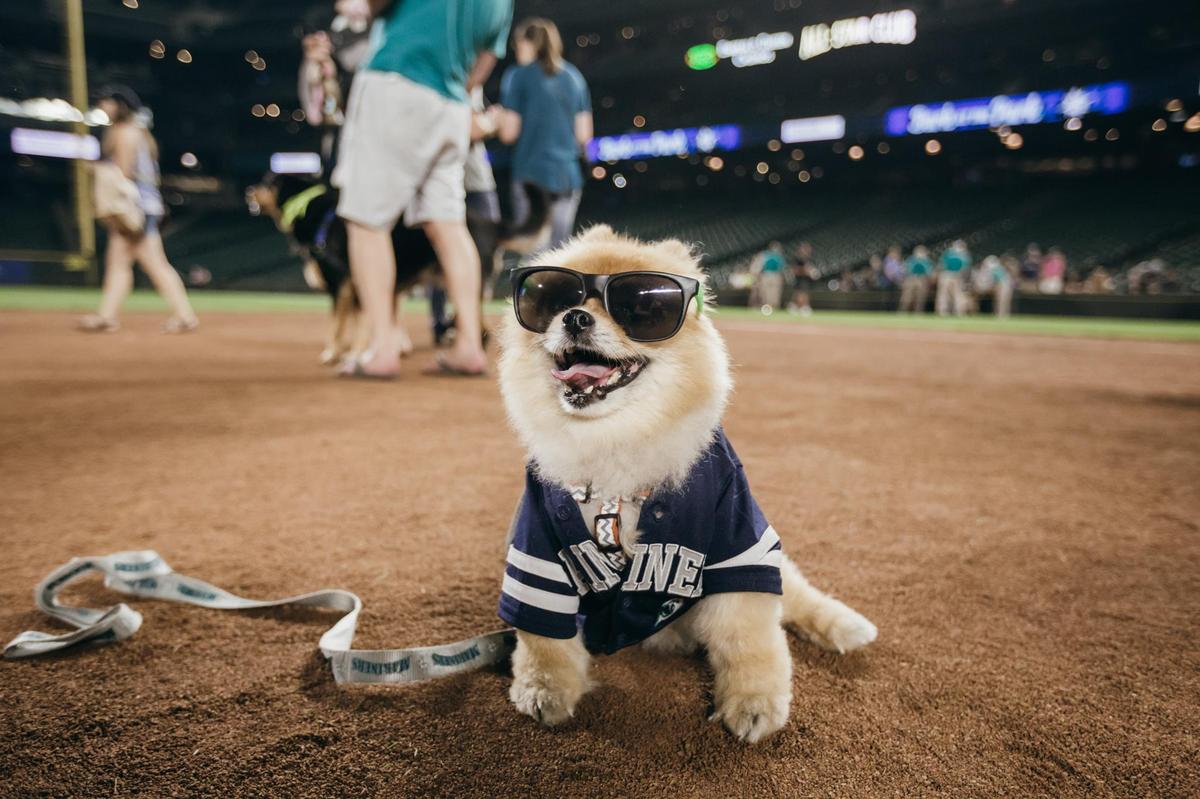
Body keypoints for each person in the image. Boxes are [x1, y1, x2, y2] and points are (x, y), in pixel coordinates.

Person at [335, 0, 512, 378]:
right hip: (451, 103)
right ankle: (468, 344)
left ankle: (383, 348)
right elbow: (484, 60)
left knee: (366, 221)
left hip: (397, 83)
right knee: (447, 223)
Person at [79, 85, 198, 334]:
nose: (102, 106)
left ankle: (184, 316)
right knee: (120, 263)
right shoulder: (139, 132)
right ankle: (108, 315)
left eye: (107, 102)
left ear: (120, 105)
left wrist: (96, 169)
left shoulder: (124, 132)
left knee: (152, 264)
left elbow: (124, 173)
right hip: (144, 206)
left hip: (135, 207)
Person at [496, 17, 592, 249]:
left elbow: (509, 133)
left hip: (530, 174)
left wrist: (497, 120)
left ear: (530, 44)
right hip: (567, 176)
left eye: (518, 44)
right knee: (560, 254)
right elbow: (584, 134)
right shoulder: (574, 76)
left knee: (533, 255)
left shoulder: (517, 76)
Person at [936, 239, 971, 317]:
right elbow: (941, 264)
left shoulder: (964, 255)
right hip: (946, 274)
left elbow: (965, 268)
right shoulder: (948, 253)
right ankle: (943, 312)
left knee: (958, 294)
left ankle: (959, 312)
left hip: (957, 275)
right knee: (943, 294)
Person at [749, 241, 786, 313]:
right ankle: (765, 308)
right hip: (766, 275)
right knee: (764, 293)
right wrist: (756, 275)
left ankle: (773, 308)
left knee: (774, 293)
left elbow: (781, 269)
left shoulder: (779, 257)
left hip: (775, 275)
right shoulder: (765, 255)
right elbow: (758, 266)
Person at [898, 245, 932, 313]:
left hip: (922, 279)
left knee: (920, 297)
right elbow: (906, 270)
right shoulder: (911, 259)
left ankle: (918, 312)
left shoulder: (926, 261)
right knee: (907, 297)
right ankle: (903, 312)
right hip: (911, 278)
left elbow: (929, 272)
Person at [788, 241, 817, 316]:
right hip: (799, 279)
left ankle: (803, 307)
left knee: (805, 292)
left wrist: (810, 272)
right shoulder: (797, 259)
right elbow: (794, 270)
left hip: (806, 280)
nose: (807, 251)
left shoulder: (809, 259)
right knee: (799, 293)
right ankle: (799, 307)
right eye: (805, 249)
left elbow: (811, 270)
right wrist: (805, 271)